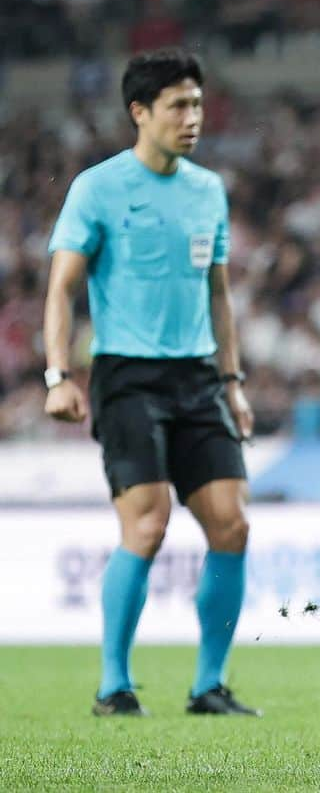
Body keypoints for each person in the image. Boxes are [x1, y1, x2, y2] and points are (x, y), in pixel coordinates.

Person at [43, 48, 260, 718]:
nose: (192, 118)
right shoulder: (98, 188)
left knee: (232, 525)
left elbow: (218, 295)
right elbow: (61, 290)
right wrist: (57, 374)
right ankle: (114, 685)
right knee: (148, 524)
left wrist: (232, 380)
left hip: (198, 376)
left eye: (196, 104)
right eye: (178, 106)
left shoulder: (207, 190)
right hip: (127, 377)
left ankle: (209, 686)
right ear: (140, 112)